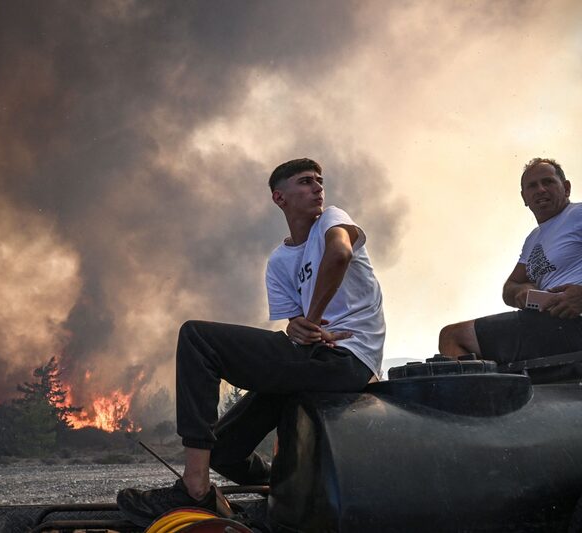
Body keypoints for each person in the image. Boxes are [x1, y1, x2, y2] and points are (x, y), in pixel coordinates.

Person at [117, 158, 385, 526]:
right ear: (280, 197)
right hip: (310, 359)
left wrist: (309, 320)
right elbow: (296, 327)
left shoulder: (333, 220)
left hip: (346, 358)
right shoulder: (279, 262)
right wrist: (299, 327)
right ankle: (290, 493)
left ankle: (194, 487)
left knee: (197, 338)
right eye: (305, 182)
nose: (318, 188)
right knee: (225, 451)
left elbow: (339, 254)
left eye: (319, 181)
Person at [439, 158, 582, 362]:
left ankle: (478, 393)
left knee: (453, 336)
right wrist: (520, 292)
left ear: (566, 188)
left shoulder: (578, 214)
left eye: (548, 182)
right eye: (532, 186)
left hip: (571, 324)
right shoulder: (533, 239)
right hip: (543, 324)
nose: (540, 189)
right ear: (524, 197)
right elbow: (510, 287)